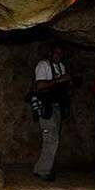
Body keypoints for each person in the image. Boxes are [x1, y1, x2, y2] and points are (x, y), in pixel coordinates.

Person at [32, 43, 72, 182]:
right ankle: (44, 170)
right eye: (56, 53)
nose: (58, 56)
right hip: (46, 106)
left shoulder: (61, 67)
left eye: (60, 54)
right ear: (50, 53)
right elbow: (40, 85)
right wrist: (59, 80)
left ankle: (41, 168)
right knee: (50, 138)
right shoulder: (44, 65)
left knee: (54, 138)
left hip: (57, 106)